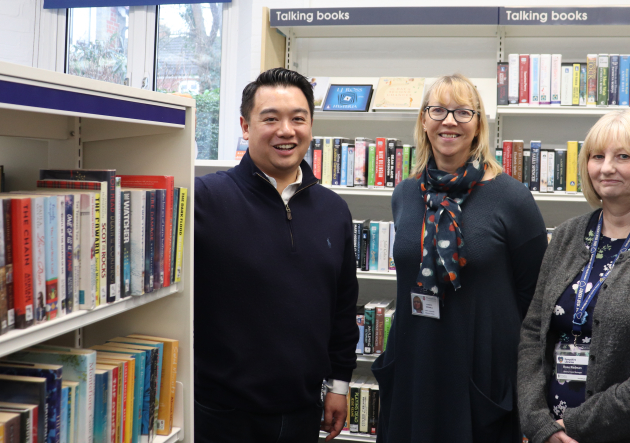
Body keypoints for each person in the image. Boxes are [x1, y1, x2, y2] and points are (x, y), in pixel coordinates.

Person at [372, 74, 548, 442]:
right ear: (423, 120)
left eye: (462, 112)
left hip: (479, 372)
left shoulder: (511, 197)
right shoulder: (405, 193)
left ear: (479, 125)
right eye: (438, 110)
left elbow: (533, 299)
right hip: (413, 365)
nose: (449, 121)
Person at [194, 68, 359, 443]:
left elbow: (343, 308)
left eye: (298, 119)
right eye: (270, 118)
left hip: (303, 412)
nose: (286, 130)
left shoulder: (334, 211)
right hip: (220, 414)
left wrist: (339, 384)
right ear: (245, 126)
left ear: (310, 126)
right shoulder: (205, 200)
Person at [518, 110, 630, 443]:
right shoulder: (566, 235)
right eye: (597, 156)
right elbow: (533, 332)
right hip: (547, 431)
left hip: (613, 432)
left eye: (623, 156)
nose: (606, 168)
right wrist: (539, 424)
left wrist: (573, 426)